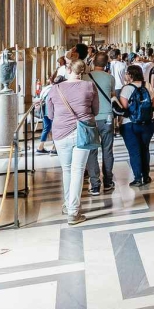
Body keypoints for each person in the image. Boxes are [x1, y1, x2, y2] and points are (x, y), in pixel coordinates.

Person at [46, 59, 99, 225]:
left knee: (67, 170)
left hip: (60, 133)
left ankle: (68, 204)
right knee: (78, 170)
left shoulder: (55, 89)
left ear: (68, 70)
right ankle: (73, 211)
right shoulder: (89, 86)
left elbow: (50, 114)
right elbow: (96, 110)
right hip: (83, 132)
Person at [84, 51, 117, 195]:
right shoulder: (110, 78)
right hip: (107, 117)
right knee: (107, 150)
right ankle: (108, 181)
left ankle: (95, 184)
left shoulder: (85, 78)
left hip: (91, 117)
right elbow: (112, 96)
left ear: (93, 62)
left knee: (92, 151)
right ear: (106, 64)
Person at [118, 64, 154, 188]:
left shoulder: (126, 89)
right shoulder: (147, 85)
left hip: (130, 124)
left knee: (134, 151)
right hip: (147, 123)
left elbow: (124, 108)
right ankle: (146, 176)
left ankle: (138, 178)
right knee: (145, 149)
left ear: (130, 75)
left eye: (126, 73)